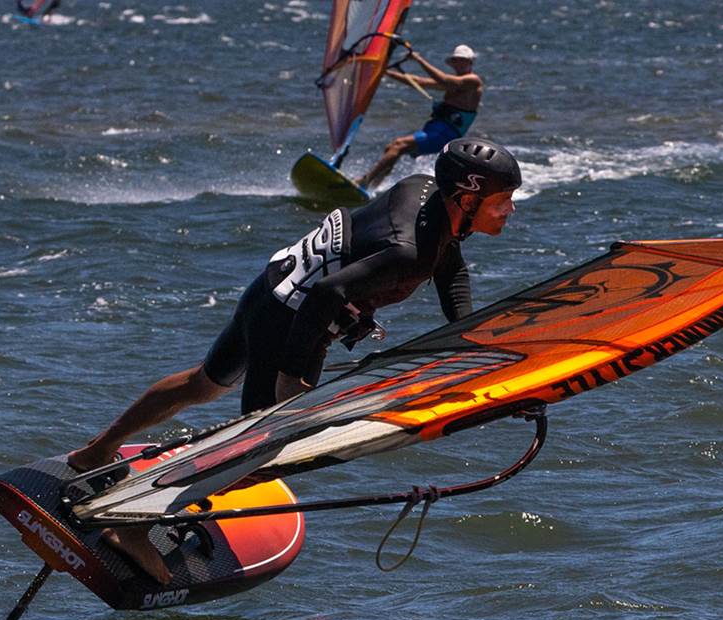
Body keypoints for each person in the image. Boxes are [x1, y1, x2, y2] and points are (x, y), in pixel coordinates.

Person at [64, 138, 523, 580]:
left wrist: (468, 340)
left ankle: (97, 451)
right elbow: (328, 293)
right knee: (255, 451)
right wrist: (291, 377)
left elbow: (452, 267)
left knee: (203, 384)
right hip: (294, 322)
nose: (511, 210)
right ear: (466, 198)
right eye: (503, 200)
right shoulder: (409, 253)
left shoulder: (423, 192)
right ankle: (137, 527)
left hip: (270, 288)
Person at [359, 42, 484, 189]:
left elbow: (444, 79)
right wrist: (385, 72)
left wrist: (419, 60)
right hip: (434, 129)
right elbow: (419, 82)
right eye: (457, 60)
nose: (459, 63)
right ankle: (372, 187)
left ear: (470, 62)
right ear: (453, 63)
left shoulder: (473, 81)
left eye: (463, 60)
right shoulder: (454, 84)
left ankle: (364, 181)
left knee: (399, 145)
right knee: (392, 148)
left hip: (446, 133)